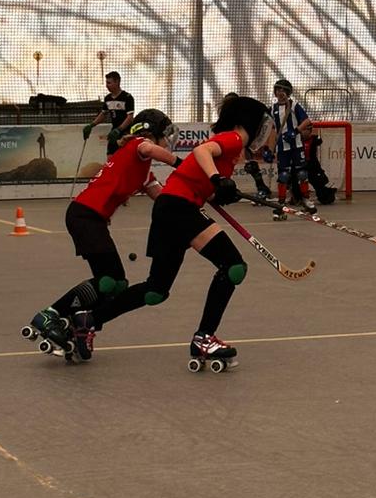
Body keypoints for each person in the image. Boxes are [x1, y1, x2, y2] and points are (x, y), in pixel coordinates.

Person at [90, 94, 275, 370]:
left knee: (156, 290)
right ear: (250, 122)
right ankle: (204, 338)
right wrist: (217, 179)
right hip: (179, 207)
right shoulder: (234, 138)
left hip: (170, 208)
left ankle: (88, 320)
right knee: (233, 266)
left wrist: (220, 191)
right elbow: (202, 153)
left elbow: (202, 183)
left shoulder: (230, 147)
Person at [23, 109, 176, 355]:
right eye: (164, 136)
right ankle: (50, 314)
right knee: (108, 280)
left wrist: (195, 197)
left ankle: (76, 323)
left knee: (117, 284)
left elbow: (165, 199)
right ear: (150, 133)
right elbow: (150, 149)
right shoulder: (138, 145)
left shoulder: (144, 172)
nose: (167, 142)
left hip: (91, 219)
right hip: (84, 215)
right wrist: (180, 163)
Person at [270, 78, 315, 220]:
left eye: (283, 90)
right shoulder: (273, 109)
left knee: (302, 173)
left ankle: (306, 200)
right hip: (282, 148)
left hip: (296, 145)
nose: (280, 93)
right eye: (278, 90)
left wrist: (295, 131)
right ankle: (281, 204)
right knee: (283, 176)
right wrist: (268, 148)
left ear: (288, 92)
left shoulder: (294, 105)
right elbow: (271, 129)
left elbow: (306, 121)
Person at [83, 71, 136, 157]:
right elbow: (103, 114)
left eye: (109, 83)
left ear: (117, 82)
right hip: (113, 132)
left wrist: (119, 130)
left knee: (125, 156)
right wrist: (91, 125)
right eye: (106, 83)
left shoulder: (127, 97)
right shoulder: (107, 98)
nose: (107, 85)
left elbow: (130, 118)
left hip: (126, 131)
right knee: (110, 156)